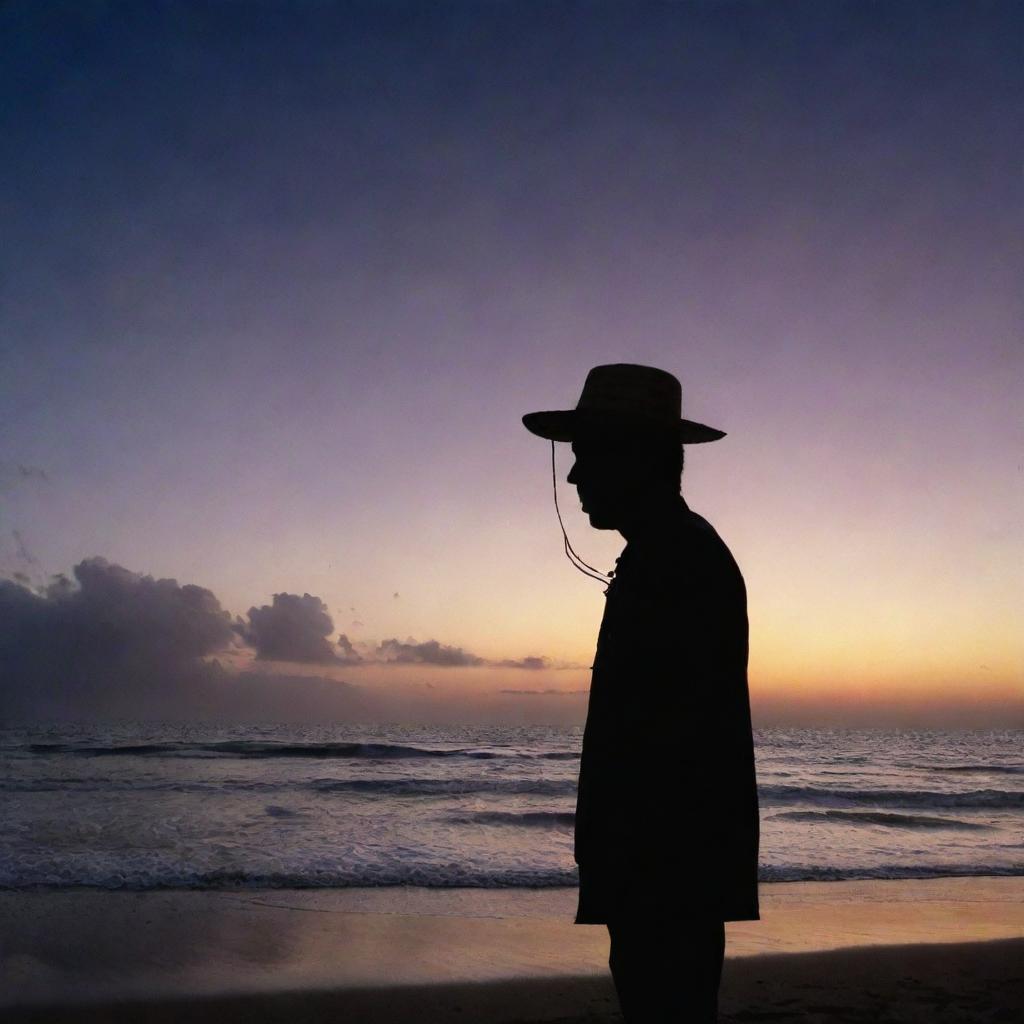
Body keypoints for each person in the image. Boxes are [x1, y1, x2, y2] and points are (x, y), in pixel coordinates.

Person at [522, 363, 760, 1023]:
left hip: (663, 870)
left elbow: (666, 745)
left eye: (586, 457)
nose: (573, 477)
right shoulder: (669, 553)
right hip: (663, 867)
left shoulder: (675, 561)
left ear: (638, 459)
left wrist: (632, 871)